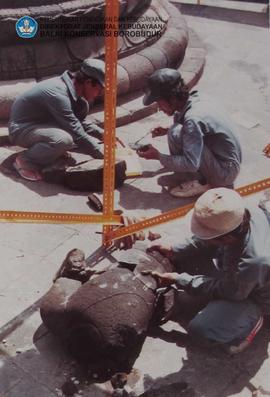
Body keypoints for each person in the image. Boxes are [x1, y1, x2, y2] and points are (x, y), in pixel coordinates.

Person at [144, 187, 270, 353]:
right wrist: (175, 249)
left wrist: (180, 279)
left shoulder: (252, 261)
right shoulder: (237, 213)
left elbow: (229, 292)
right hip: (243, 278)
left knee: (201, 332)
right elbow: (208, 238)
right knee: (187, 255)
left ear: (226, 238)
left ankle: (254, 320)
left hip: (254, 295)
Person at [138, 68, 242, 198]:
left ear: (172, 98)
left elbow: (191, 163)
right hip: (229, 163)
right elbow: (196, 127)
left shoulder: (193, 119)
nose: (159, 108)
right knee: (175, 130)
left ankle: (202, 182)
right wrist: (167, 129)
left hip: (224, 173)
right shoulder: (198, 97)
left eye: (160, 103)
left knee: (176, 133)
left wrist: (159, 156)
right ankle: (195, 174)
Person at [8, 58, 105, 181]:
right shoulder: (57, 93)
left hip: (41, 124)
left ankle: (48, 152)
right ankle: (25, 160)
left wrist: (103, 134)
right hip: (21, 129)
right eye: (100, 90)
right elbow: (75, 129)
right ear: (88, 82)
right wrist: (101, 153)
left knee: (80, 116)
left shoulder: (75, 94)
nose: (100, 94)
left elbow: (78, 122)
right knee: (63, 140)